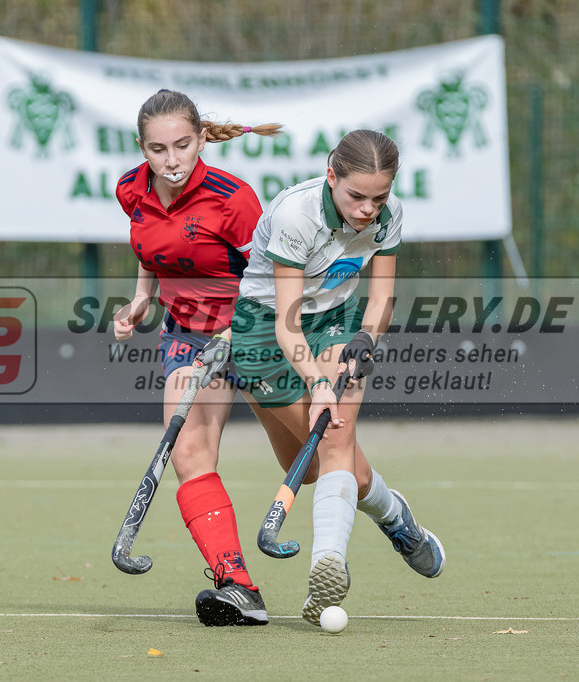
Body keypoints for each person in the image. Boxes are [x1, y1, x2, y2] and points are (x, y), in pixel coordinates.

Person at [229, 130, 446, 626]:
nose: (368, 210)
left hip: (334, 322)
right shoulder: (296, 215)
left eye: (379, 198)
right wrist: (318, 382)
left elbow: (381, 298)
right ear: (332, 176)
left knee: (336, 439)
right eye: (357, 197)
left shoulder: (388, 216)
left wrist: (367, 336)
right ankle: (396, 517)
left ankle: (326, 564)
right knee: (318, 470)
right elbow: (287, 323)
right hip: (266, 329)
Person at [112, 89, 281, 627]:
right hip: (186, 335)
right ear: (142, 148)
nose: (172, 160)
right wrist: (141, 300)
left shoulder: (233, 200)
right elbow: (151, 252)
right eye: (158, 149)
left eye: (182, 145)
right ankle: (237, 585)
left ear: (202, 139)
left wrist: (239, 331)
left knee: (320, 463)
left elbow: (275, 278)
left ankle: (390, 514)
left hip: (254, 335)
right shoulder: (131, 189)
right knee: (189, 452)